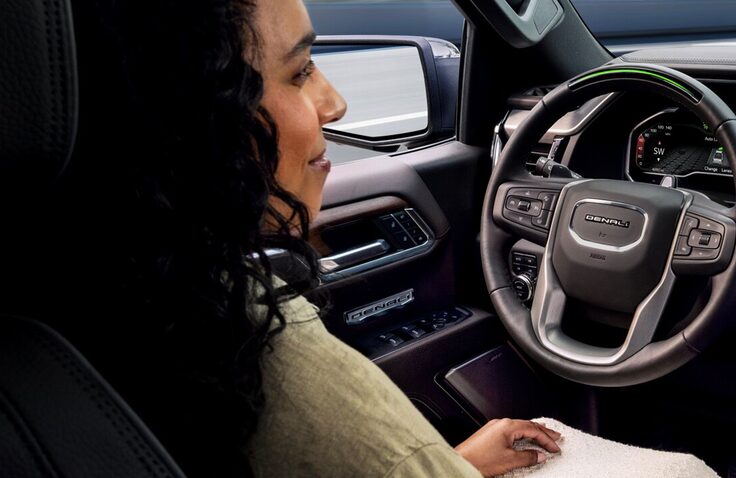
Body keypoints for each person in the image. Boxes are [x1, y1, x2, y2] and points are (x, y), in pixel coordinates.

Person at [22, 0, 561, 476]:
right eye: (301, 71)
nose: (335, 103)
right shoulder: (252, 346)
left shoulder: (90, 301)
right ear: (196, 115)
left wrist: (446, 465)